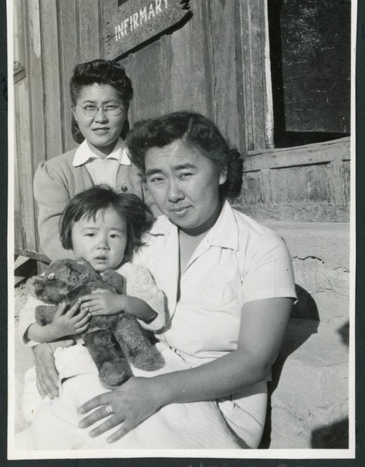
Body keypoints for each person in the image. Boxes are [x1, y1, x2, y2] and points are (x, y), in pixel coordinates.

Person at [32, 111, 296, 449]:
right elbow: (87, 290)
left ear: (221, 171)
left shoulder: (260, 248)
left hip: (217, 400)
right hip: (143, 371)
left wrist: (156, 391)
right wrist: (45, 344)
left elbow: (254, 362)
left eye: (185, 174)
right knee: (58, 426)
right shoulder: (150, 237)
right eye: (157, 179)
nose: (172, 194)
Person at [18, 186, 167, 441]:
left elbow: (154, 313)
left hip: (121, 358)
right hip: (70, 358)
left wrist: (121, 302)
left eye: (114, 236)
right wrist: (54, 331)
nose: (102, 245)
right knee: (53, 407)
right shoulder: (58, 275)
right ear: (69, 239)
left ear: (128, 240)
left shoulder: (132, 273)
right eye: (90, 234)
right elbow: (28, 320)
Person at [33, 59, 146, 262]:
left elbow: (159, 228)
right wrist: (92, 275)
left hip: (142, 271)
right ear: (75, 112)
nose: (100, 118)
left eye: (111, 107)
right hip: (83, 280)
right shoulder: (55, 172)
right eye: (89, 107)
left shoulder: (145, 164)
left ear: (126, 109)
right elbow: (55, 239)